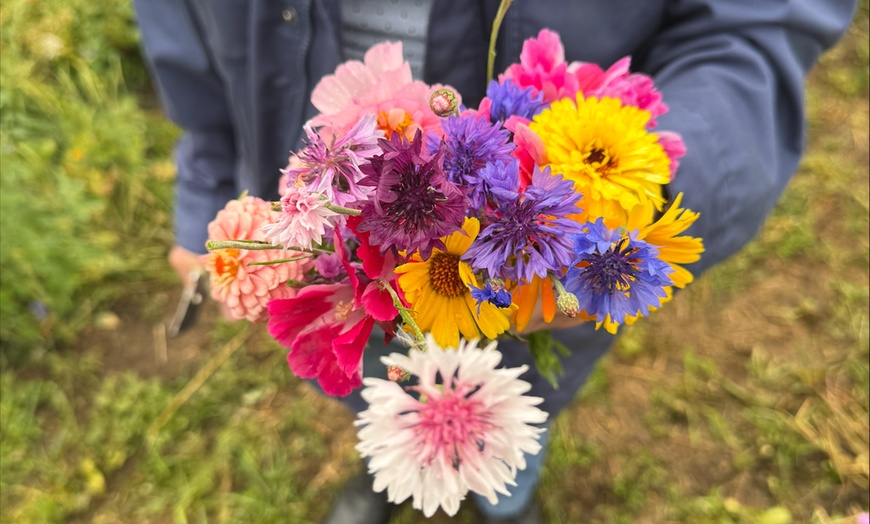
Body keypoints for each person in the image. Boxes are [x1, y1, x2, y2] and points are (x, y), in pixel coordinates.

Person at [133, 1, 856, 523]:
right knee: (369, 381)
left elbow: (758, 24)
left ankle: (507, 492)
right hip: (332, 216)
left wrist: (633, 204)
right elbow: (188, 35)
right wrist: (206, 182)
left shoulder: (558, 214)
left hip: (559, 242)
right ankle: (388, 461)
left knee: (524, 391)